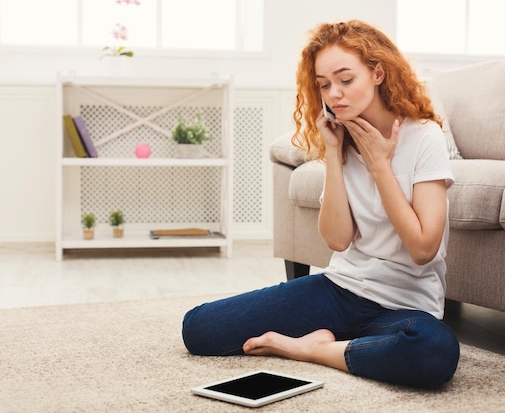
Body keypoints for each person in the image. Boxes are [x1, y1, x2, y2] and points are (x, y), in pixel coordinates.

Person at [182, 20, 460, 389]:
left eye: (346, 80)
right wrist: (332, 153)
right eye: (324, 84)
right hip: (338, 290)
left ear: (378, 73)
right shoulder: (340, 137)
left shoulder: (424, 136)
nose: (334, 94)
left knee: (433, 352)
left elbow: (424, 248)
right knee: (199, 328)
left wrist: (380, 165)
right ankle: (349, 347)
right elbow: (337, 240)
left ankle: (313, 350)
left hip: (404, 306)